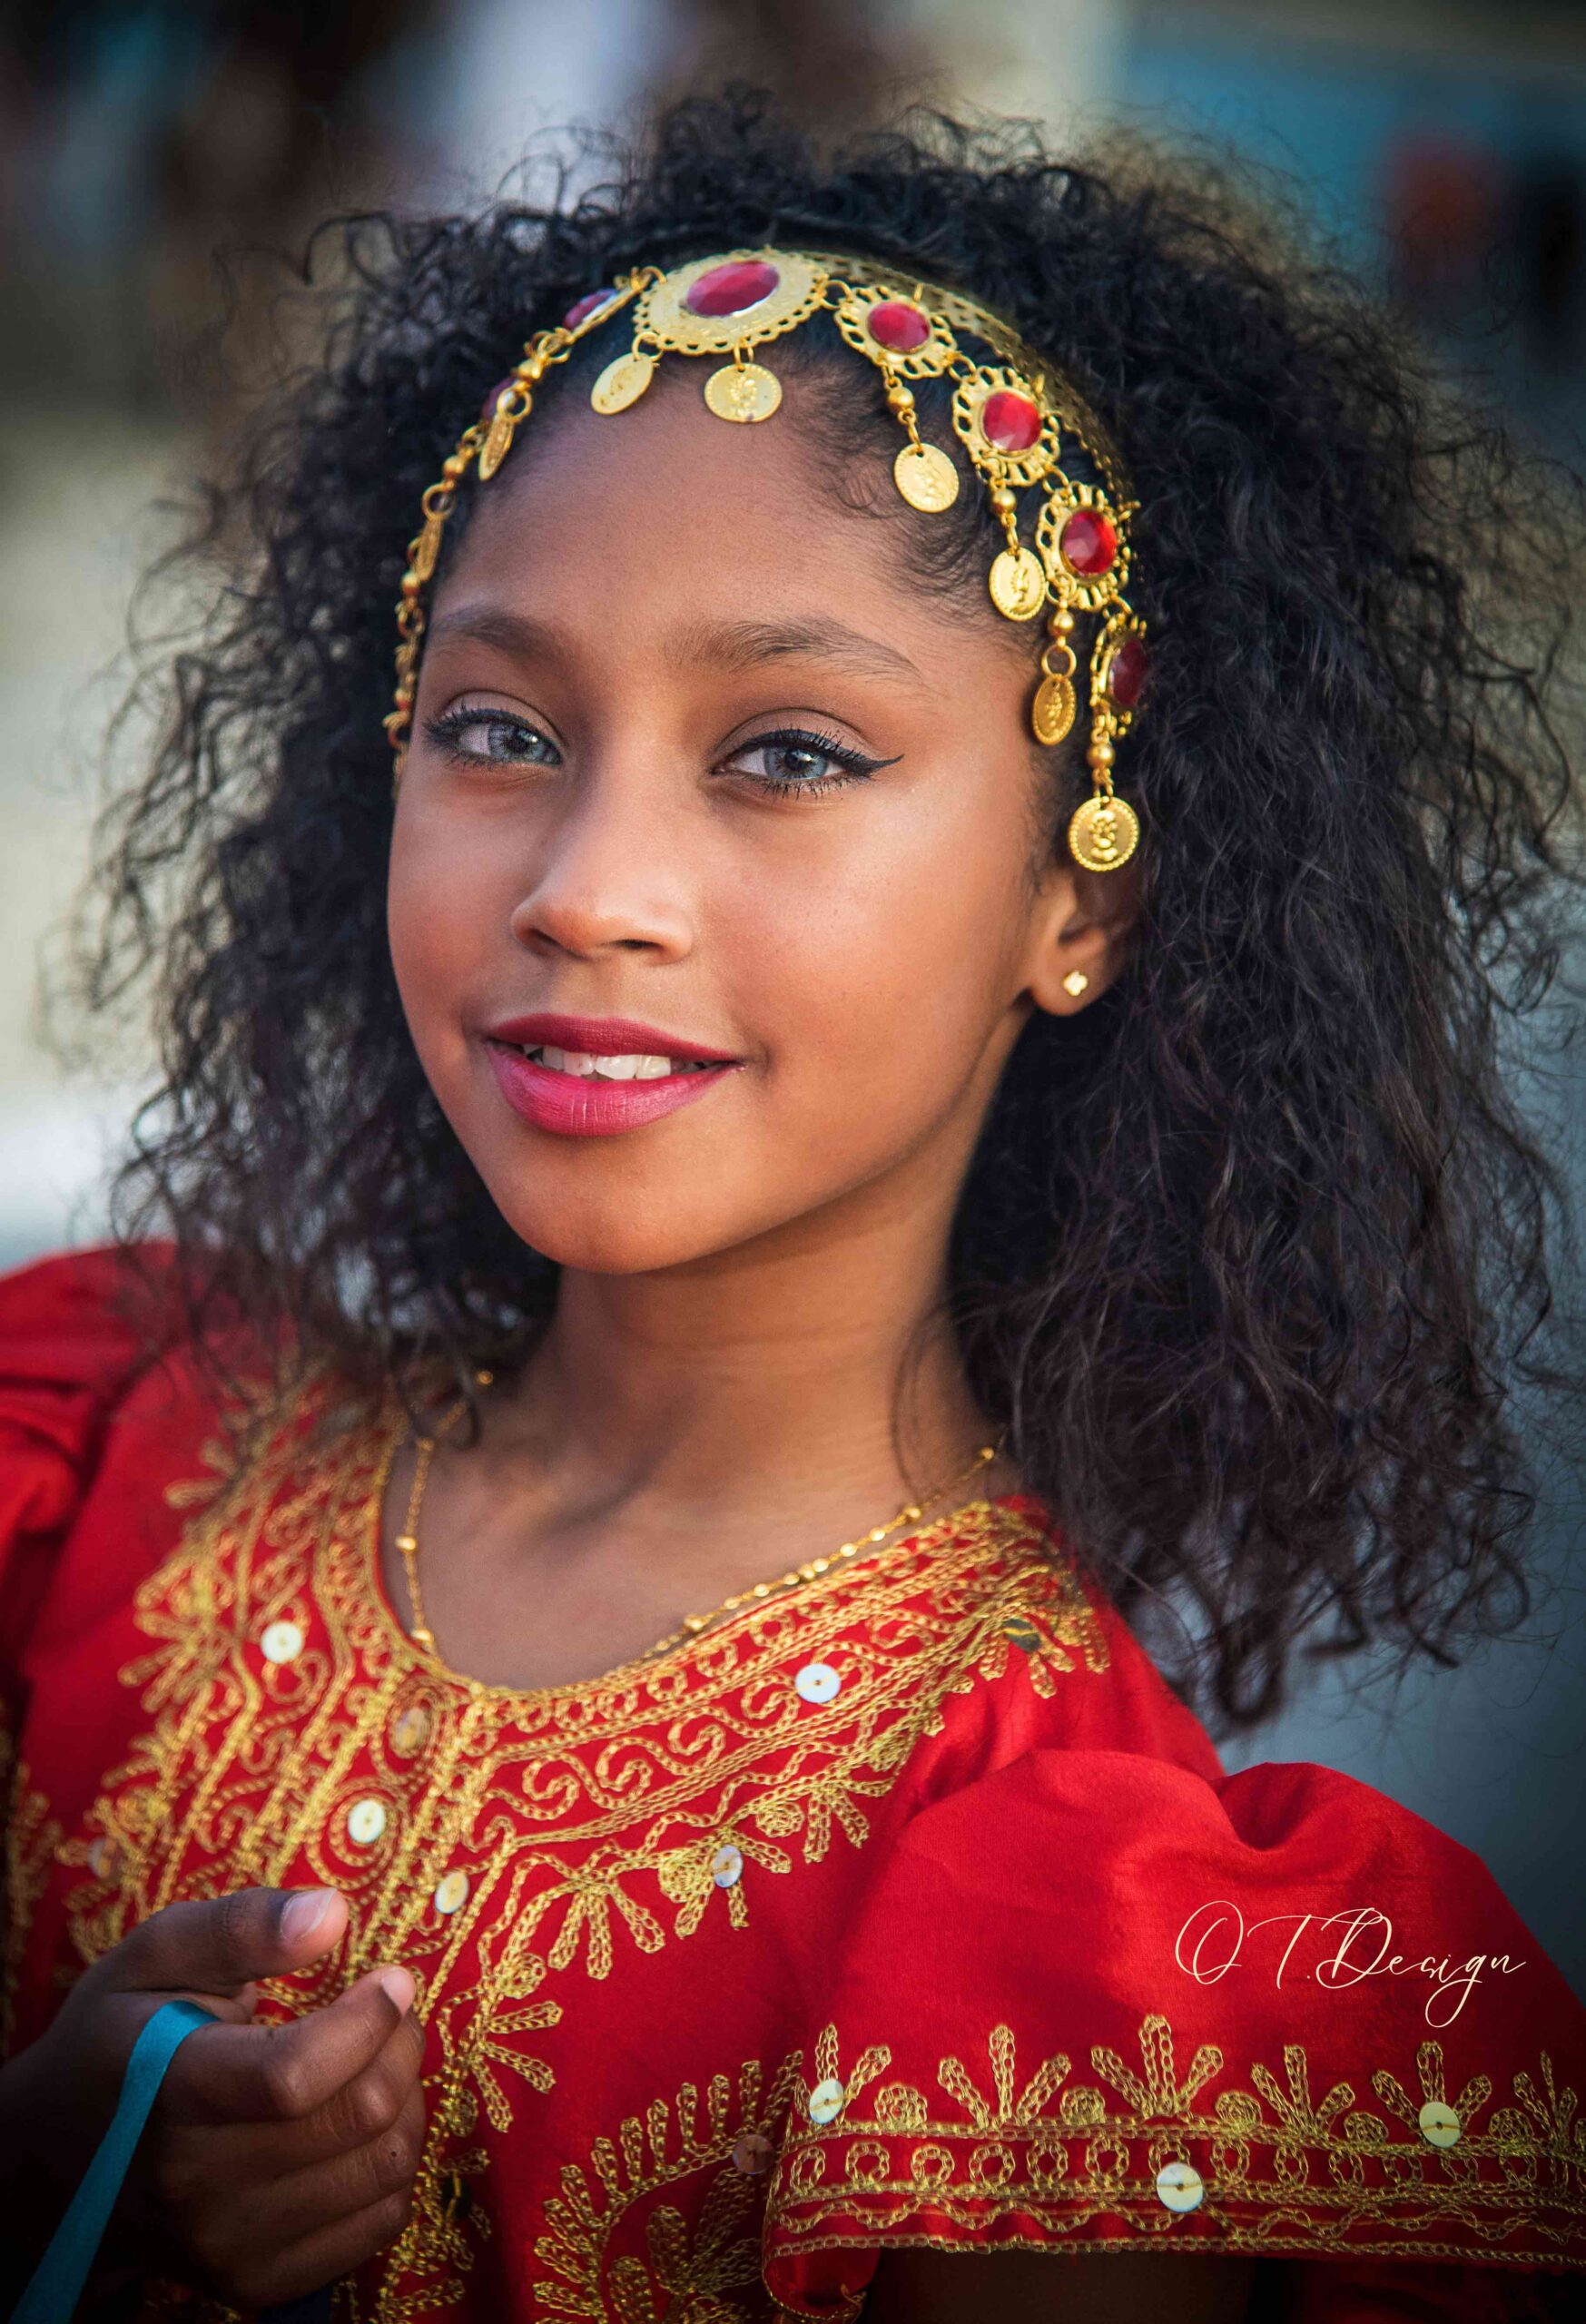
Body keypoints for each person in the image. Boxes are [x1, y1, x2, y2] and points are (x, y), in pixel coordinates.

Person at [1, 93, 1583, 2322]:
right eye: (497, 727)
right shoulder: (96, 1457)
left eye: (789, 754)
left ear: (1079, 893)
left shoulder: (1076, 1932)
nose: (587, 888)